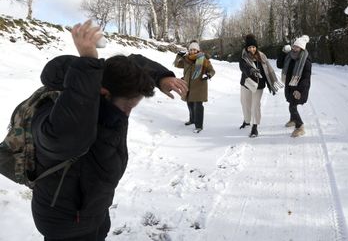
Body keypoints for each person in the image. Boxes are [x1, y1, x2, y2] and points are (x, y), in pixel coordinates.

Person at [31, 20, 188, 241]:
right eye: (127, 107)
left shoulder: (105, 88)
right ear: (103, 93)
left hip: (92, 212)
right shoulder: (62, 118)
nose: (127, 114)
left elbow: (132, 63)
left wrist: (161, 77)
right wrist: (87, 60)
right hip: (66, 224)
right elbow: (66, 134)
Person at [239, 34, 283, 137]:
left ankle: (254, 126)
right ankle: (247, 121)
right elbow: (243, 67)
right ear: (246, 48)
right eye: (249, 47)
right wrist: (252, 70)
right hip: (246, 84)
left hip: (259, 86)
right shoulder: (243, 56)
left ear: (256, 47)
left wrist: (270, 85)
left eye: (253, 47)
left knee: (255, 106)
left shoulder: (262, 56)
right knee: (245, 103)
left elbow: (267, 72)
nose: (252, 49)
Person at [173, 40, 215, 133]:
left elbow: (212, 70)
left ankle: (199, 126)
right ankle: (192, 120)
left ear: (198, 50)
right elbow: (176, 64)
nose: (192, 51)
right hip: (188, 85)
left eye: (194, 49)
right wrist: (179, 55)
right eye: (191, 49)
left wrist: (208, 75)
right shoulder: (186, 59)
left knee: (198, 106)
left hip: (200, 86)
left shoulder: (204, 59)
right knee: (189, 103)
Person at [277, 35, 312, 137]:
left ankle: (300, 126)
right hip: (290, 85)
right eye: (294, 46)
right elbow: (279, 65)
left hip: (300, 87)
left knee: (292, 106)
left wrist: (300, 90)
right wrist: (283, 52)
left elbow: (306, 77)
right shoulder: (289, 56)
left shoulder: (305, 60)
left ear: (302, 48)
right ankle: (293, 120)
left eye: (297, 47)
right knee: (291, 103)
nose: (294, 48)